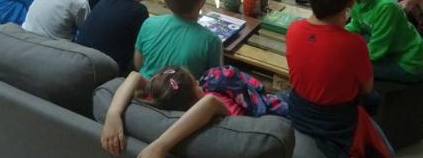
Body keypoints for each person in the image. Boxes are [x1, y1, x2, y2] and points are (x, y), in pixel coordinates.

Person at [286, 0, 392, 158]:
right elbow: (367, 88)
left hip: (299, 111)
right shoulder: (355, 44)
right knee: (374, 101)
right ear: (350, 1)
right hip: (336, 123)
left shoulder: (293, 30)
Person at [100, 65, 287, 157]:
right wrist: (159, 146)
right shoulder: (215, 107)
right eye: (197, 85)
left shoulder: (162, 105)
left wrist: (113, 113)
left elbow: (135, 76)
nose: (199, 84)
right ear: (195, 98)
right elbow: (210, 102)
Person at [344, 0, 423, 82]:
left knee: (347, 65)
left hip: (409, 62)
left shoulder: (386, 6)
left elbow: (377, 50)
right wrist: (336, 34)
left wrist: (347, 55)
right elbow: (356, 24)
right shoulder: (358, 0)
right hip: (391, 48)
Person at [133, 0, 222, 79]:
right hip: (183, 91)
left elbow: (138, 63)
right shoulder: (211, 41)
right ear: (202, 0)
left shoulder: (148, 24)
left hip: (144, 87)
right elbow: (215, 81)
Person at [76, 0, 154, 75]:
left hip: (85, 67)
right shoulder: (138, 11)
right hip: (109, 75)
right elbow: (141, 57)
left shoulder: (103, 2)